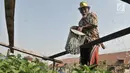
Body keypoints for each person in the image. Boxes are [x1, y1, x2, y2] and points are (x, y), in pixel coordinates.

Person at [78, 1, 105, 66]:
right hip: (84, 43)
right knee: (83, 63)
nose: (83, 11)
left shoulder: (92, 15)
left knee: (92, 62)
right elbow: (80, 31)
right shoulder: (80, 22)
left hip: (93, 40)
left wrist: (83, 27)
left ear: (88, 9)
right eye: (81, 9)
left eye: (84, 9)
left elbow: (94, 24)